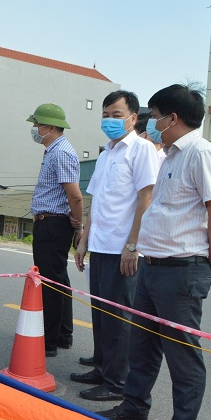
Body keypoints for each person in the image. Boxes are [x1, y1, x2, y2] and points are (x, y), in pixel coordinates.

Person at [98, 84, 211, 420]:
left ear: (173, 117)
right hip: (152, 266)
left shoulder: (202, 155)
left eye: (155, 116)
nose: (151, 123)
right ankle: (135, 404)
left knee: (182, 353)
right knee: (142, 344)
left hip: (182, 271)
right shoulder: (170, 155)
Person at [71, 91, 159, 401]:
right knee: (100, 312)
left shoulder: (141, 151)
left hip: (124, 249)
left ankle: (116, 382)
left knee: (120, 318)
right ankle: (102, 366)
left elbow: (146, 200)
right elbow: (97, 201)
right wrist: (83, 242)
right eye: (106, 115)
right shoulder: (107, 153)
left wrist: (133, 245)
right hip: (100, 245)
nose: (110, 120)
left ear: (134, 118)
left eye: (117, 115)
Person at [27, 103, 83, 357]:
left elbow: (75, 196)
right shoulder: (54, 150)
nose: (35, 129)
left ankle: (49, 340)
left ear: (50, 127)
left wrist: (78, 225)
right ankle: (62, 334)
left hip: (53, 223)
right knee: (59, 280)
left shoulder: (61, 153)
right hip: (50, 221)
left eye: (37, 124)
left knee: (50, 283)